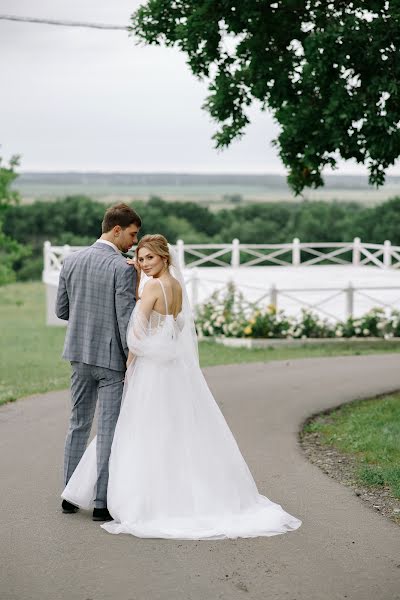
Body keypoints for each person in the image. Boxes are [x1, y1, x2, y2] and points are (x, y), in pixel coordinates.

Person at [62, 234, 302, 539]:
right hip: (173, 366)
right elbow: (174, 328)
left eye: (149, 257)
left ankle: (142, 498)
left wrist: (129, 362)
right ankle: (183, 492)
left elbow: (135, 335)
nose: (143, 264)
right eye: (140, 258)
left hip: (151, 368)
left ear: (164, 257)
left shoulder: (151, 287)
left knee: (141, 429)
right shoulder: (175, 287)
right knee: (176, 427)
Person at [56, 203, 141, 521]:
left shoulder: (71, 260)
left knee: (77, 424)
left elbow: (62, 311)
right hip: (109, 362)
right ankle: (101, 503)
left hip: (78, 356)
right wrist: (130, 359)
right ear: (116, 229)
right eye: (132, 235)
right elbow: (124, 320)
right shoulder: (122, 268)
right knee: (107, 430)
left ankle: (69, 494)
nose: (133, 242)